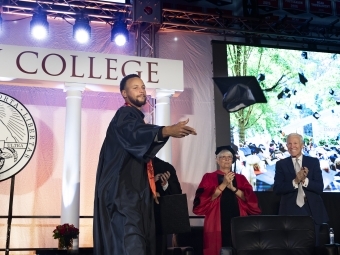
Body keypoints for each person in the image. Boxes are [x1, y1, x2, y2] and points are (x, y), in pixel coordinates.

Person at [93, 74, 197, 255]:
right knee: (131, 244)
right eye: (135, 87)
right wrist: (167, 130)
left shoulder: (134, 117)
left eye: (142, 86)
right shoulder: (124, 114)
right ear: (124, 93)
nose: (141, 90)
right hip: (122, 195)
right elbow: (135, 134)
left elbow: (135, 152)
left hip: (129, 193)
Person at [192, 145, 261, 255]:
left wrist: (233, 188)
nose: (227, 159)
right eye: (223, 157)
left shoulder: (240, 178)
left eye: (229, 157)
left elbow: (249, 199)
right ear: (217, 160)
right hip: (216, 220)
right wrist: (224, 184)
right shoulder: (209, 177)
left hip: (238, 218)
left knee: (238, 247)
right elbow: (205, 199)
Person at [273, 133, 329, 246]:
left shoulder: (313, 162)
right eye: (289, 143)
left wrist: (304, 181)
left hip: (312, 210)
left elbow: (319, 188)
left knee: (314, 246)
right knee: (292, 246)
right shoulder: (281, 164)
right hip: (290, 210)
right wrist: (295, 181)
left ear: (302, 145)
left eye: (295, 143)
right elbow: (277, 189)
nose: (292, 146)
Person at [153, 157, 182, 255]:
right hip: (136, 219)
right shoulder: (132, 164)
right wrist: (149, 182)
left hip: (157, 219)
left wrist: (165, 184)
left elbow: (177, 193)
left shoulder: (164, 167)